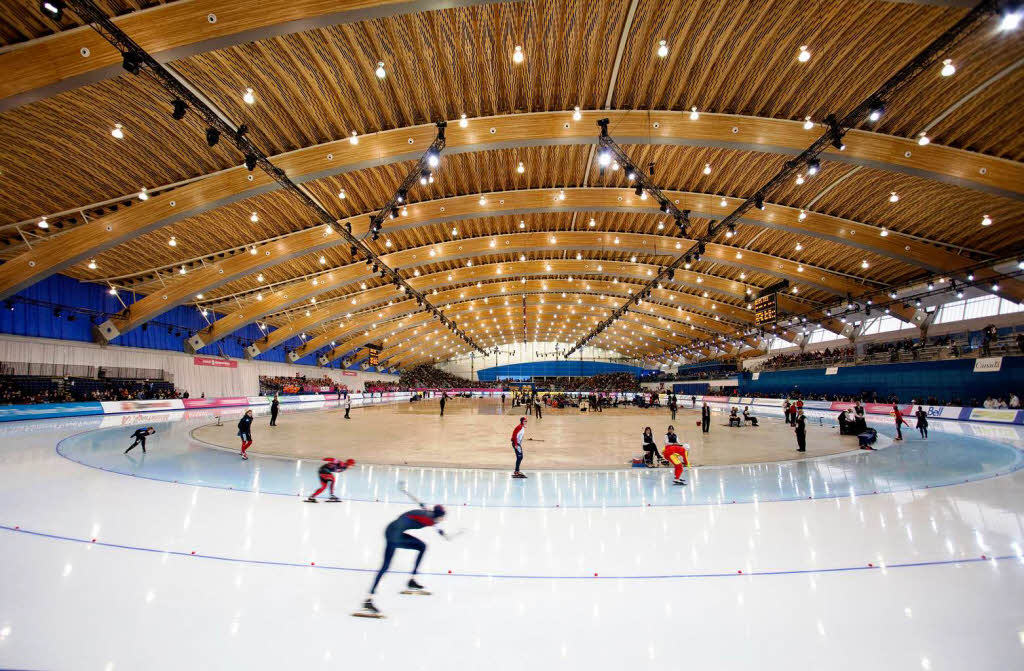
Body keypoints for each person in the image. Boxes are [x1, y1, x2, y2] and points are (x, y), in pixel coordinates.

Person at [361, 503, 448, 616]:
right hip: (393, 536)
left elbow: (429, 519)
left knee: (422, 547)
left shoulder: (428, 515)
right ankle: (368, 600)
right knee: (385, 566)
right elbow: (433, 523)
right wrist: (441, 532)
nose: (443, 519)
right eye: (443, 517)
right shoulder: (429, 519)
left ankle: (411, 580)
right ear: (438, 516)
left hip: (394, 531)